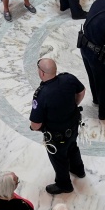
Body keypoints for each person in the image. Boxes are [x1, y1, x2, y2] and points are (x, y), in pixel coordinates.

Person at [30, 58, 86, 195]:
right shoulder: (68, 78)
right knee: (72, 147)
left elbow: (36, 125)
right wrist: (74, 105)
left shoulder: (41, 94)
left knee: (59, 158)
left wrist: (34, 128)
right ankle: (78, 170)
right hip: (73, 126)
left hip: (55, 136)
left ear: (42, 73)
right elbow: (82, 91)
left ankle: (64, 184)